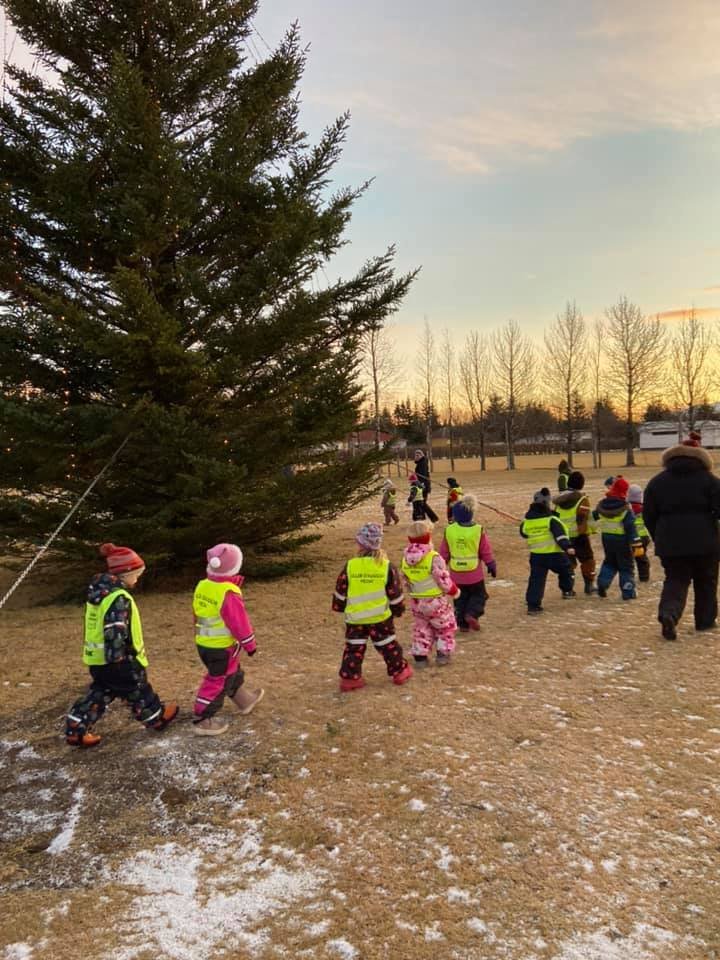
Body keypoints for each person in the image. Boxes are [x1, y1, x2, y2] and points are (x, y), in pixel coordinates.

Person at [65, 543, 178, 747]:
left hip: (97, 659)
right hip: (118, 659)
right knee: (137, 688)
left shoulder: (98, 594)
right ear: (126, 573)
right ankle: (156, 717)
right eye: (137, 575)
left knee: (101, 691)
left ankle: (76, 727)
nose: (138, 579)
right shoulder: (118, 598)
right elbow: (114, 629)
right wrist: (117, 659)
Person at [644, 433, 720, 640]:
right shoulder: (710, 481)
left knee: (675, 580)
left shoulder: (657, 482)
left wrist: (658, 536)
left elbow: (648, 515)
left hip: (670, 541)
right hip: (705, 541)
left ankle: (669, 613)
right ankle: (705, 621)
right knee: (706, 582)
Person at [191, 543, 264, 736]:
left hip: (204, 643)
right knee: (218, 680)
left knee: (232, 673)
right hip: (221, 647)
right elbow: (239, 623)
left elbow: (196, 613)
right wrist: (250, 644)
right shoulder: (228, 592)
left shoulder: (203, 585)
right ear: (234, 567)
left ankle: (244, 700)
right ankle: (202, 719)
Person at [332, 522, 412, 691]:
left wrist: (339, 606)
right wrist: (398, 610)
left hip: (356, 618)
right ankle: (399, 671)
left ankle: (350, 678)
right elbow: (395, 593)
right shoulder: (386, 566)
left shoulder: (351, 565)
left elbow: (341, 590)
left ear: (360, 544)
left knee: (354, 648)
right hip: (380, 618)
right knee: (388, 645)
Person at [401, 520, 459, 666]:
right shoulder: (433, 557)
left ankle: (420, 655)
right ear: (428, 537)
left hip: (417, 601)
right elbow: (443, 579)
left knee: (421, 628)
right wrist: (454, 590)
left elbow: (405, 579)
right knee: (444, 626)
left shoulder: (405, 559)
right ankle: (443, 653)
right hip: (435, 600)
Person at [439, 494, 496, 631]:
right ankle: (472, 614)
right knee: (479, 595)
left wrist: (440, 567)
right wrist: (490, 564)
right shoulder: (478, 530)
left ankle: (462, 624)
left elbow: (444, 552)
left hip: (456, 573)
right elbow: (485, 550)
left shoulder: (449, 530)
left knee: (460, 598)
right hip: (474, 573)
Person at [520, 488, 576, 615]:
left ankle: (533, 606)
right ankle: (567, 590)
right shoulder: (552, 520)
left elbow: (524, 533)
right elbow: (560, 535)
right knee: (567, 570)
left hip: (536, 556)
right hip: (554, 555)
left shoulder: (527, 521)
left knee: (536, 580)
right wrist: (567, 547)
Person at [592, 476, 641, 600]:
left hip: (607, 538)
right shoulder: (625, 508)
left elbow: (593, 516)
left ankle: (602, 584)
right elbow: (630, 527)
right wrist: (636, 544)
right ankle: (628, 592)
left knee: (610, 562)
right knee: (626, 567)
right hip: (622, 541)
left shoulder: (602, 504)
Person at [552, 470, 597, 594]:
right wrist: (592, 530)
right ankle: (589, 585)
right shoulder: (582, 499)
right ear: (581, 484)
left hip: (564, 537)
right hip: (579, 536)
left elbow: (555, 518)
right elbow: (585, 518)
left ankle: (567, 589)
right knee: (588, 560)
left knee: (568, 564)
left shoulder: (559, 501)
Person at [627, 484, 651, 583]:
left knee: (630, 558)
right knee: (641, 557)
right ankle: (644, 576)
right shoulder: (644, 508)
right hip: (644, 537)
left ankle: (629, 576)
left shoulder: (627, 508)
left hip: (632, 537)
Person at [413, 449, 439, 523]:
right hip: (422, 485)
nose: (416, 457)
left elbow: (422, 476)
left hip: (423, 486)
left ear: (421, 456)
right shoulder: (421, 462)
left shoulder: (422, 464)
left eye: (418, 455)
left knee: (422, 503)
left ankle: (433, 517)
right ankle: (423, 517)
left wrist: (420, 485)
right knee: (421, 503)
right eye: (415, 455)